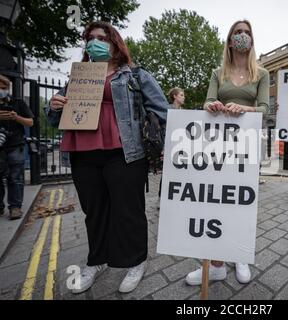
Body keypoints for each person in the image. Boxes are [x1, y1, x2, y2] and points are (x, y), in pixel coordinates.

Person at [45, 21, 169, 294]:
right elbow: (54, 118)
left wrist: (148, 130)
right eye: (89, 38)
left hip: (124, 153)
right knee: (94, 211)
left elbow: (162, 110)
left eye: (101, 37)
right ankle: (97, 260)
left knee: (129, 210)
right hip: (83, 153)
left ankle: (136, 261)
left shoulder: (135, 76)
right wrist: (53, 105)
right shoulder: (78, 78)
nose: (94, 42)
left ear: (115, 43)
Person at [185, 20, 269, 286]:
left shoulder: (262, 73)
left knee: (241, 202)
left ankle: (239, 255)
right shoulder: (217, 72)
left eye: (247, 32)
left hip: (246, 144)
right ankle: (216, 264)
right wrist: (214, 105)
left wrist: (246, 109)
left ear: (251, 39)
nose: (242, 36)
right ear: (230, 41)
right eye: (237, 32)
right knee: (215, 201)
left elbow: (265, 108)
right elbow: (208, 101)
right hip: (217, 145)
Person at [0, 74, 34, 220]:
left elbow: (30, 122)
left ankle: (15, 207)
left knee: (15, 177)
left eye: (3, 88)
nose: (1, 90)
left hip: (15, 145)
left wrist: (16, 117)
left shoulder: (18, 103)